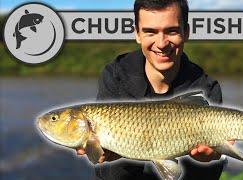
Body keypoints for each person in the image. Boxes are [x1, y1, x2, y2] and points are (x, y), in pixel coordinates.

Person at [77, 0, 234, 179]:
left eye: (171, 31)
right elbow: (106, 172)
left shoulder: (205, 87)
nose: (161, 43)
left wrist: (213, 158)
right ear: (137, 34)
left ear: (186, 32)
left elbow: (209, 173)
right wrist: (113, 154)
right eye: (150, 31)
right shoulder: (115, 76)